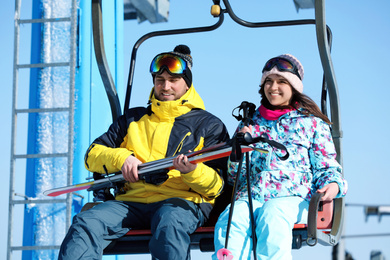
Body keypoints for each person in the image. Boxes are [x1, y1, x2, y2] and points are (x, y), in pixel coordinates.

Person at [58, 44, 229, 260]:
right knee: (86, 222)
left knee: (169, 224)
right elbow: (92, 155)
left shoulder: (208, 125)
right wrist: (121, 158)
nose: (165, 87)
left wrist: (192, 171)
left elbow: (219, 186)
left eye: (173, 81)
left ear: (187, 84)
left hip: (181, 201)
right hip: (132, 202)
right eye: (159, 81)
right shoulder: (132, 120)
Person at [213, 54, 348, 260]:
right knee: (230, 220)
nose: (273, 87)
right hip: (253, 196)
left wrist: (334, 184)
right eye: (269, 81)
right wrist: (239, 149)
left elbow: (326, 166)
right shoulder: (250, 124)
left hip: (293, 197)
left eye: (281, 81)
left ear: (293, 86)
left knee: (273, 216)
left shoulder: (310, 122)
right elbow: (234, 176)